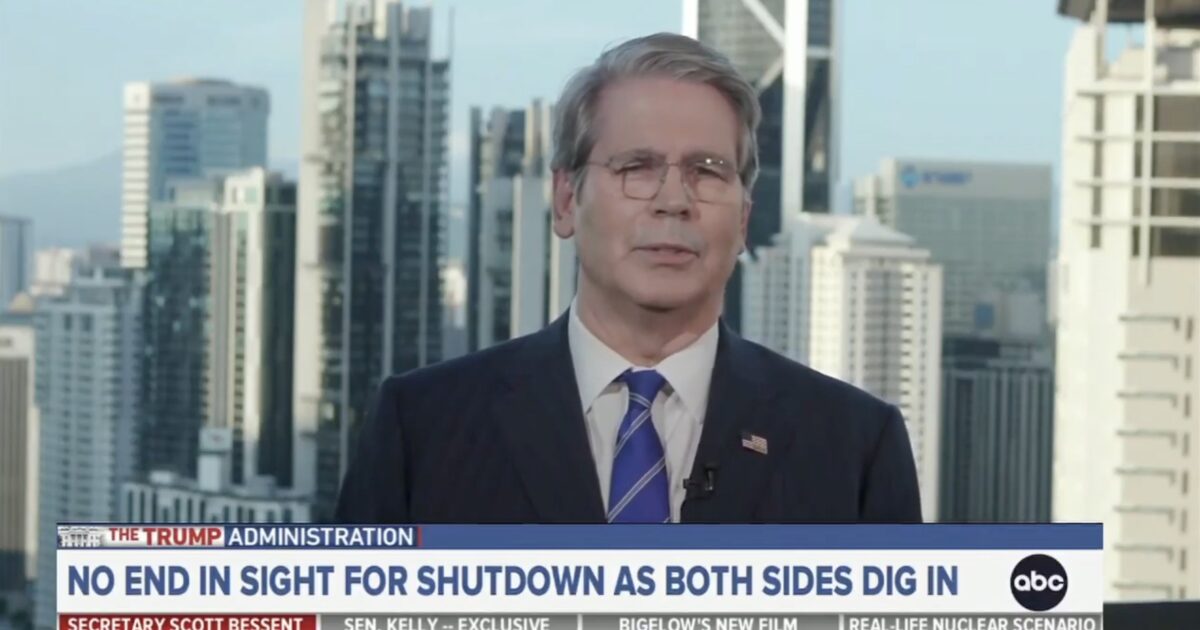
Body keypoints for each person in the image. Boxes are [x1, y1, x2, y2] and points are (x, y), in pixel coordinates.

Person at [335, 32, 922, 524]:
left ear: (743, 218)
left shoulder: (853, 448)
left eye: (707, 172)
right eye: (636, 167)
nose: (673, 200)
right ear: (566, 200)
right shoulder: (421, 429)